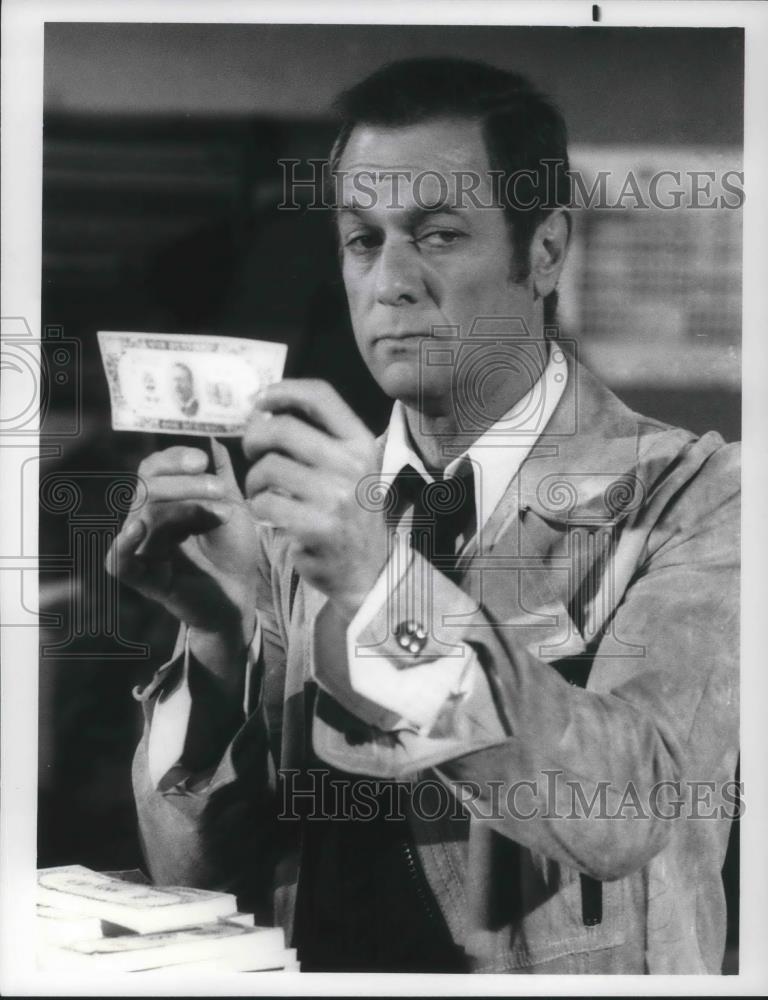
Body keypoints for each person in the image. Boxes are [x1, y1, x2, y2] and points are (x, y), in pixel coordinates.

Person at [108, 58, 740, 974]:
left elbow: (634, 805)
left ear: (545, 251)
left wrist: (383, 590)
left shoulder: (701, 495)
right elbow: (200, 882)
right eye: (362, 240)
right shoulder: (303, 516)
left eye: (438, 235)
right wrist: (218, 638)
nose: (391, 282)